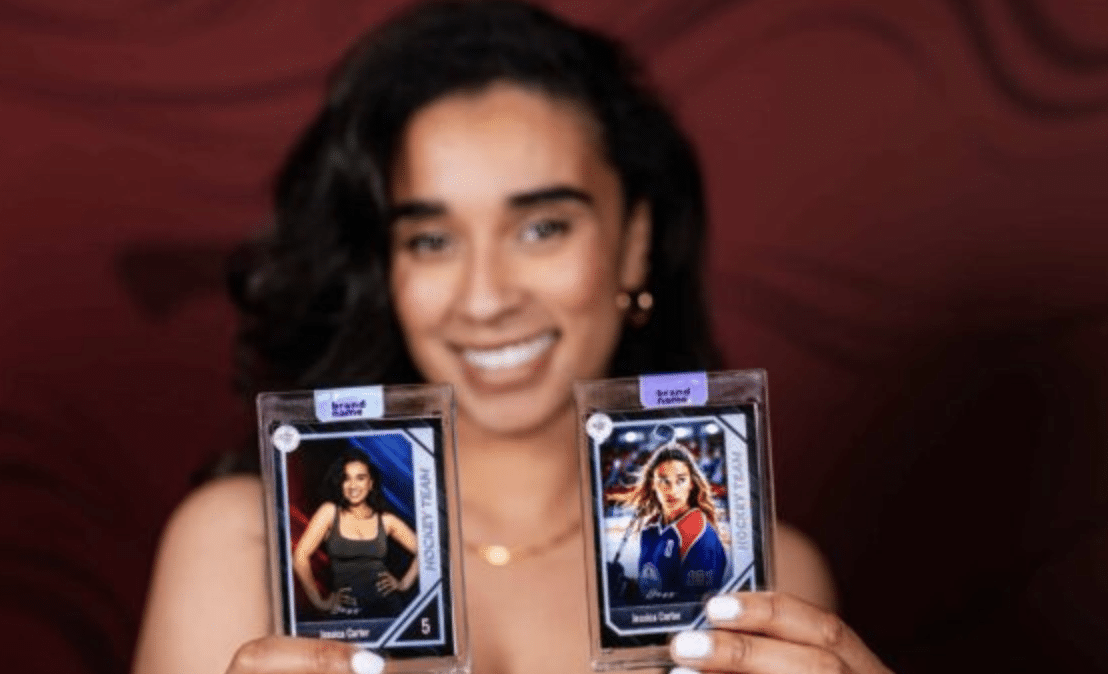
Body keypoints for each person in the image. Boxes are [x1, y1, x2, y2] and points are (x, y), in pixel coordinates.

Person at [132, 2, 889, 674]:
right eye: (431, 240)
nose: (488, 298)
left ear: (634, 240)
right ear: (383, 268)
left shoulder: (767, 569)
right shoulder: (239, 547)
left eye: (541, 227)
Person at [293, 449, 418, 619]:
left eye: (360, 478)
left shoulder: (386, 521)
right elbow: (300, 557)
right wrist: (320, 602)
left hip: (388, 611)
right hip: (346, 614)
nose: (353, 486)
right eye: (346, 478)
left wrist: (403, 584)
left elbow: (426, 551)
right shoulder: (329, 513)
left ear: (370, 483)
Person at [617, 441, 727, 604]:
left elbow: (695, 605)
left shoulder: (698, 535)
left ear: (691, 484)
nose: (672, 490)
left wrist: (632, 598)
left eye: (681, 480)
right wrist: (626, 585)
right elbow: (655, 586)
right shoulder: (650, 529)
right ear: (653, 484)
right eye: (663, 480)